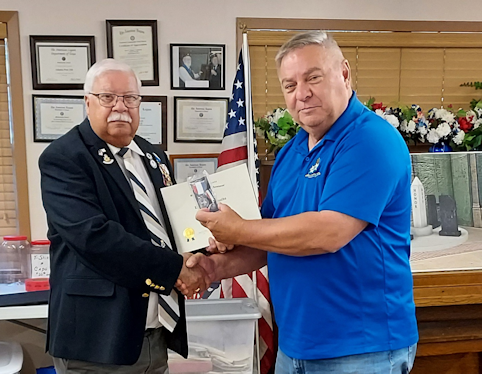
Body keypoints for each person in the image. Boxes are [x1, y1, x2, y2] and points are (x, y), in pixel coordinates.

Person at [185, 31, 418, 374]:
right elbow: (269, 240)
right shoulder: (291, 153)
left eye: (313, 78)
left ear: (344, 73)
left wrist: (239, 228)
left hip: (361, 349)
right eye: (290, 85)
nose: (302, 94)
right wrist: (214, 268)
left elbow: (327, 234)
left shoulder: (371, 140)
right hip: (295, 345)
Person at [39, 58, 209, 374]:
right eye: (108, 97)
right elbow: (95, 238)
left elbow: (168, 223)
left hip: (155, 331)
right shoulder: (64, 158)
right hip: (97, 339)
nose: (121, 106)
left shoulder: (152, 154)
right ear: (87, 101)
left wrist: (203, 249)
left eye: (130, 98)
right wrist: (176, 270)